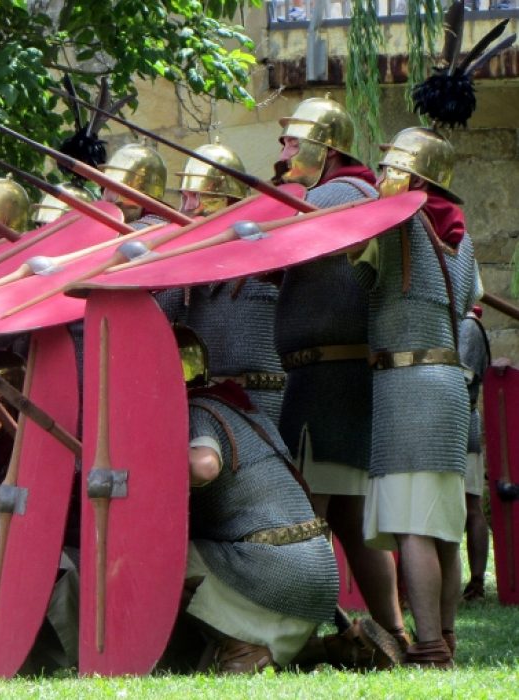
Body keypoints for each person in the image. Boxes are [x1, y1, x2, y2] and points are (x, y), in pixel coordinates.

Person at [271, 97, 406, 648]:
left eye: (289, 142)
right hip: (353, 377)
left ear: (320, 148)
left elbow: (270, 259)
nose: (281, 153)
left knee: (306, 513)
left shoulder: (322, 199)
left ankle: (290, 631)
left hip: (322, 380)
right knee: (352, 520)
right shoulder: (371, 197)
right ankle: (394, 630)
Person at [353, 126, 480, 668]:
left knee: (413, 527)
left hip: (409, 385)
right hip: (449, 384)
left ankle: (428, 646)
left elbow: (355, 281)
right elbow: (470, 300)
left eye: (390, 170)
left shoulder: (394, 225)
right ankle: (446, 636)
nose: (382, 179)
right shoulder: (461, 235)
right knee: (443, 529)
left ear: (410, 176)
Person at [167, 325, 347, 673]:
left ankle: (241, 645)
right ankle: (317, 647)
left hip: (276, 568)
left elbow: (204, 466)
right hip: (320, 573)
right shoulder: (245, 408)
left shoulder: (196, 410)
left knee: (155, 560)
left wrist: (150, 467)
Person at [165, 142, 285, 424]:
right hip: (208, 407)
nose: (187, 208)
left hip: (266, 401)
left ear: (226, 198)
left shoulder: (267, 254)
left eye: (196, 196)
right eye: (184, 197)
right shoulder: (186, 270)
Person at [459, 305, 491, 601]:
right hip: (441, 428)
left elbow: (461, 380)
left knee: (471, 506)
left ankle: (478, 582)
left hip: (462, 423)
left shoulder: (468, 326)